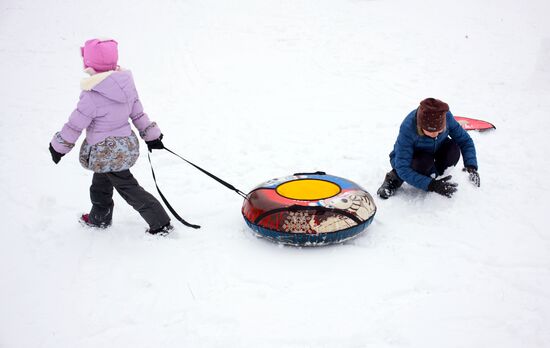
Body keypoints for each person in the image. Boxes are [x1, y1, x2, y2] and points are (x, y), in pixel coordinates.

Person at [48, 38, 173, 235]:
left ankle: (160, 222)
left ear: (89, 64)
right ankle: (100, 218)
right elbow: (138, 114)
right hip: (122, 149)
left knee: (128, 187)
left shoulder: (92, 95)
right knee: (100, 183)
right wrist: (151, 135)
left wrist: (58, 147)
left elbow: (75, 125)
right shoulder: (126, 85)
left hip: (105, 151)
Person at [377, 98, 480, 199]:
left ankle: (434, 175)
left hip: (436, 150)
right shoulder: (408, 128)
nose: (435, 134)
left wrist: (471, 166)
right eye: (430, 131)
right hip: (413, 158)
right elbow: (402, 167)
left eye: (439, 130)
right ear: (421, 126)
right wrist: (432, 185)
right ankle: (394, 178)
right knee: (422, 163)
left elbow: (465, 141)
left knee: (453, 150)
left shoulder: (446, 117)